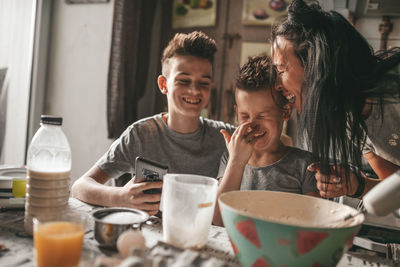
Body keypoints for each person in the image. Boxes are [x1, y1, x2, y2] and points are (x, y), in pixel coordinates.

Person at [71, 31, 235, 215]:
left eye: (204, 83)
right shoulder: (140, 135)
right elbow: (80, 187)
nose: (194, 90)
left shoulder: (227, 138)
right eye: (184, 80)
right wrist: (120, 197)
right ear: (163, 84)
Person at [271, 0, 400, 199]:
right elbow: (394, 191)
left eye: (281, 69)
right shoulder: (350, 117)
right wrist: (355, 184)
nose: (277, 84)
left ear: (316, 65)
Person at [213, 55, 319, 226]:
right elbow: (218, 222)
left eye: (263, 116)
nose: (252, 125)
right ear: (236, 111)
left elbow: (315, 226)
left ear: (285, 112)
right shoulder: (229, 159)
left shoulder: (304, 165)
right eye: (245, 116)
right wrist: (237, 161)